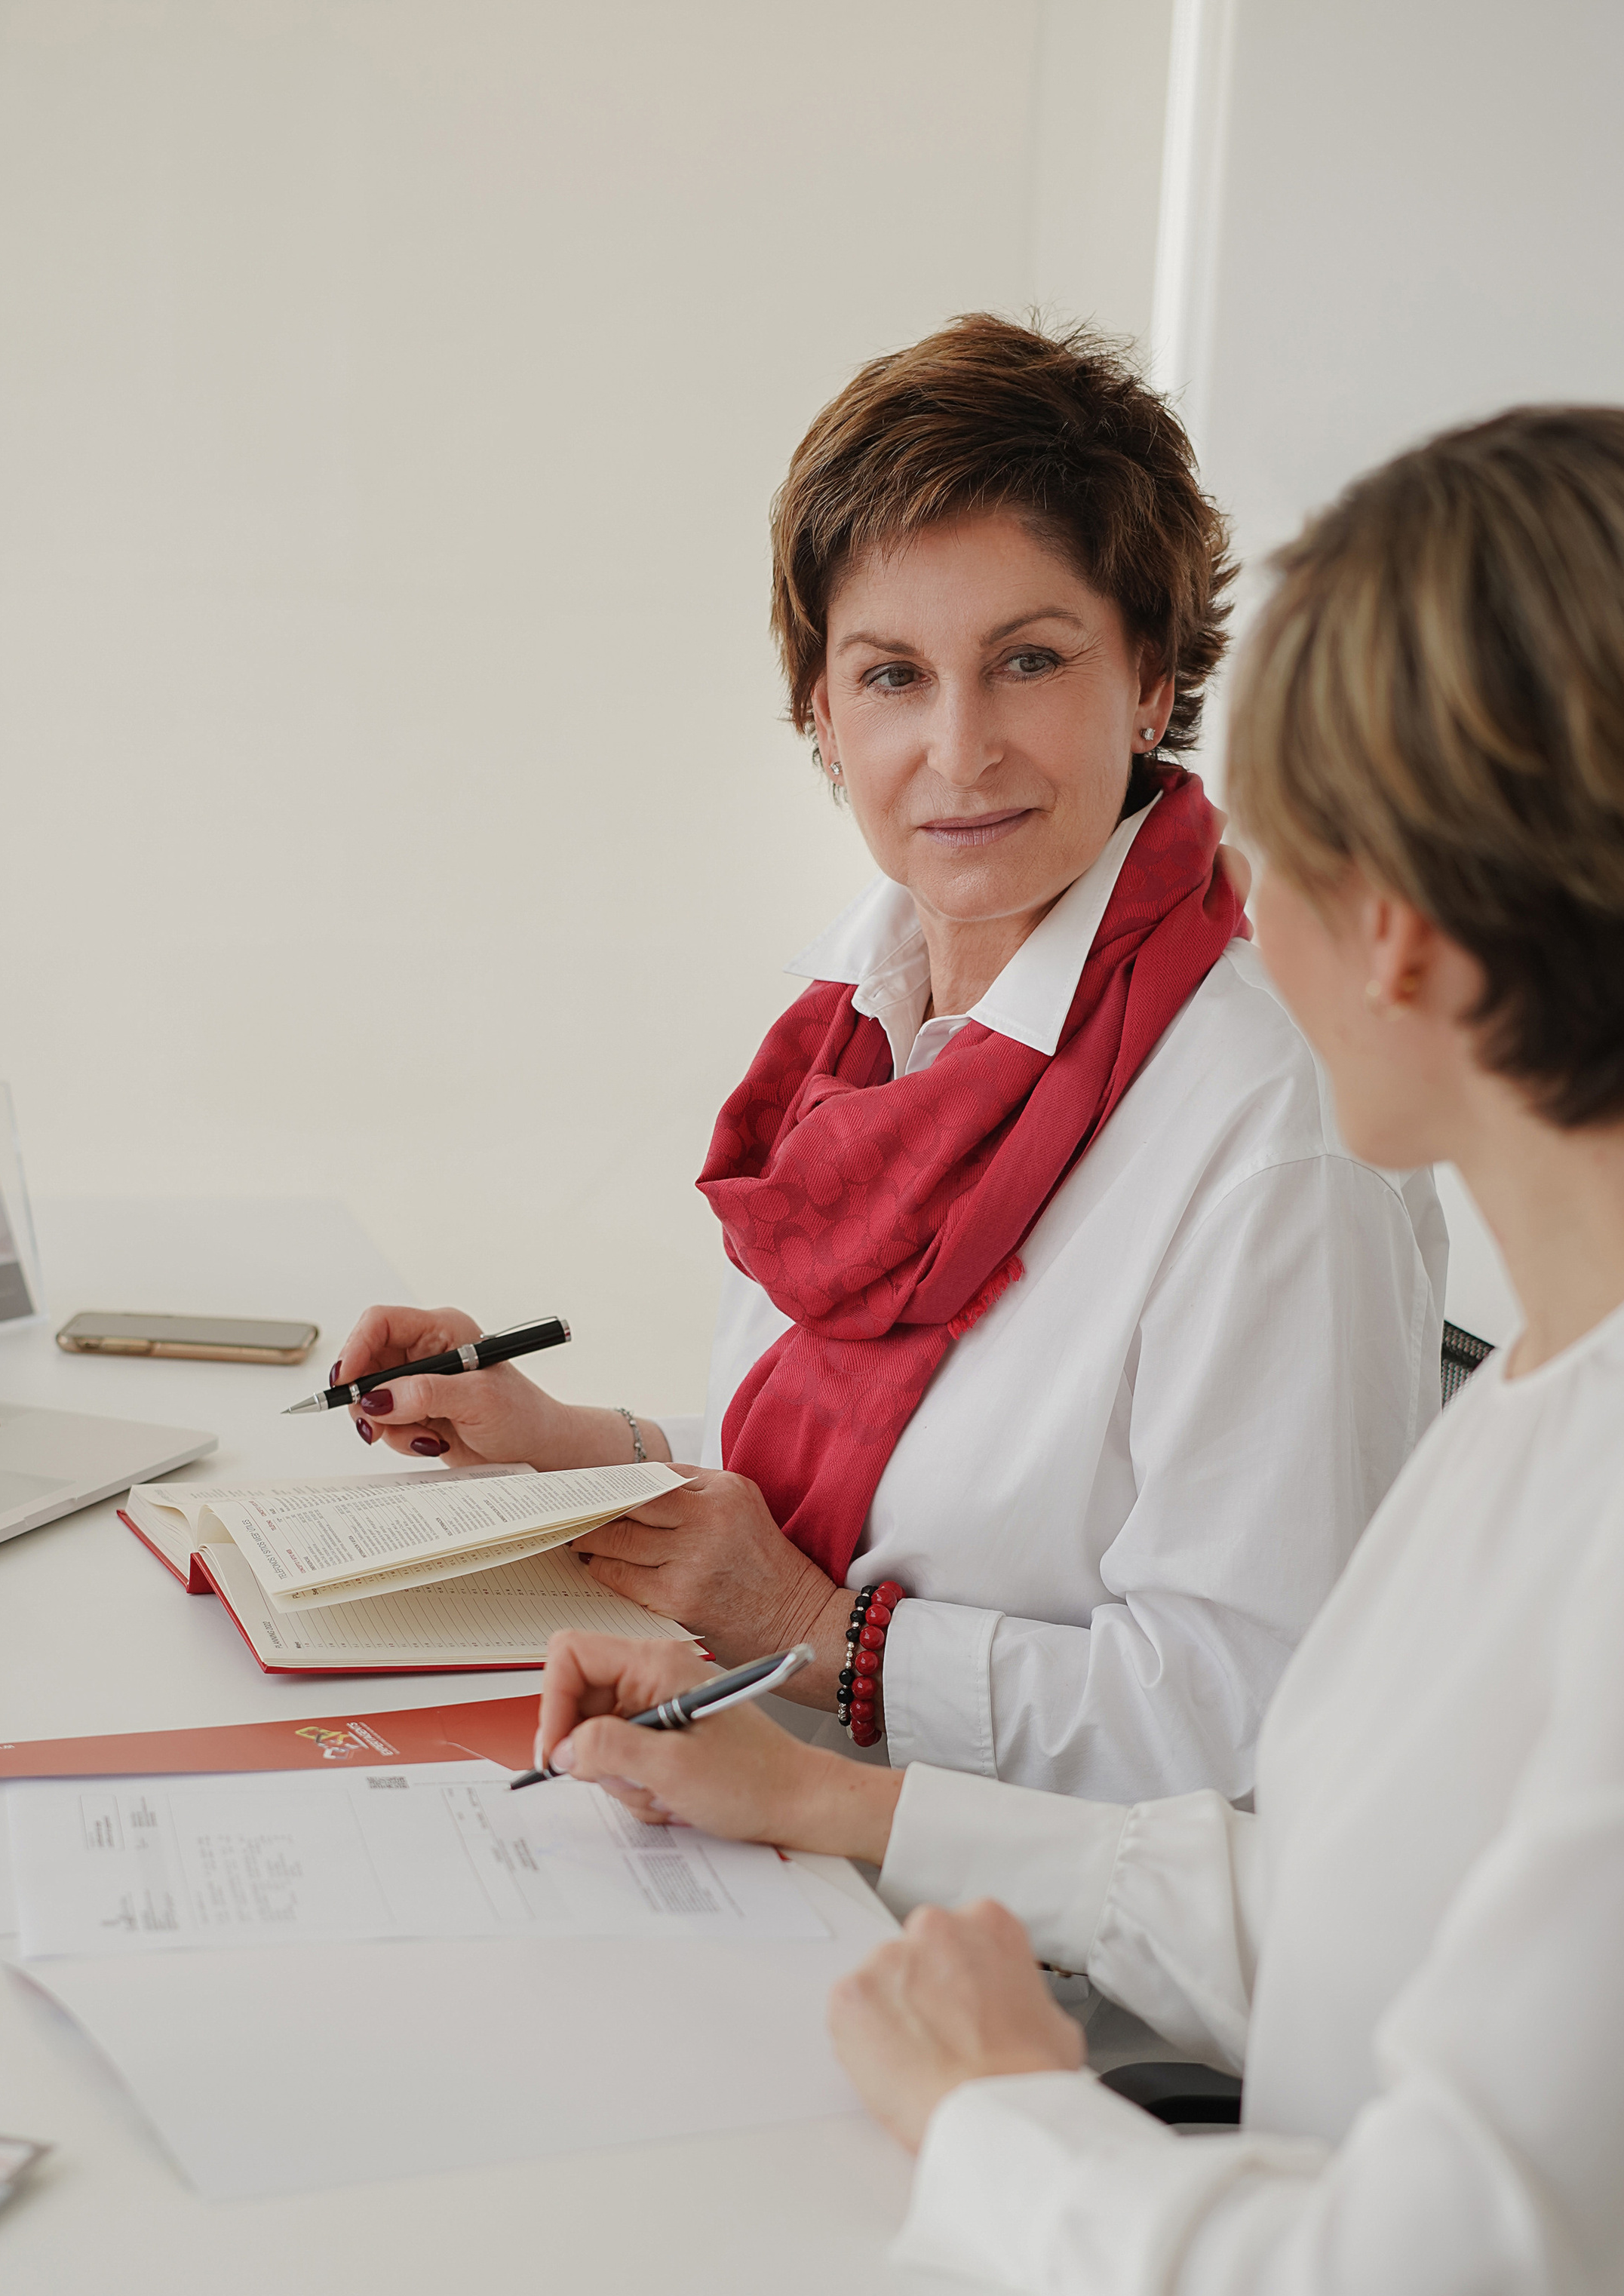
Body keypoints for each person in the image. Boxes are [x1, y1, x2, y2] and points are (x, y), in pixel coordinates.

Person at [515, 404, 1624, 2296]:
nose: (1218, 897)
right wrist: (844, 1796)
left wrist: (1004, 2133)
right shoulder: (1574, 1382)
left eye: (1272, 844)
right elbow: (1343, 1897)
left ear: (1400, 933)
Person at [336, 318, 1444, 1809]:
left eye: (1029, 661)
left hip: (991, 1918)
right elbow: (884, 1482)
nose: (959, 748)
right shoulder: (861, 1035)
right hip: (759, 1816)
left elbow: (1257, 1726)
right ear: (820, 711)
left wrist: (817, 1634)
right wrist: (569, 1447)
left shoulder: (1276, 1125)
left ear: (1148, 679)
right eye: (892, 676)